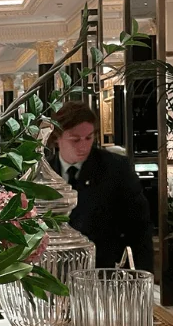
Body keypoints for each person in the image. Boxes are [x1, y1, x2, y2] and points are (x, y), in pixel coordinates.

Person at [48, 101, 153, 272]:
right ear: (57, 138)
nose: (83, 146)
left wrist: (141, 276)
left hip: (105, 272)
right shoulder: (44, 173)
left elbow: (140, 228)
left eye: (89, 138)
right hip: (56, 272)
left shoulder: (116, 169)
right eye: (75, 140)